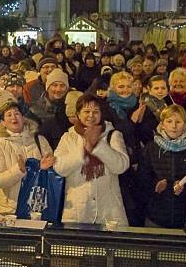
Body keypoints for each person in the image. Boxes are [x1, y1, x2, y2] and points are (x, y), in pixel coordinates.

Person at [54, 94, 130, 226]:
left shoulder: (113, 135)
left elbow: (121, 166)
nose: (91, 115)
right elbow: (60, 168)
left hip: (109, 210)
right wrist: (83, 152)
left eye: (96, 112)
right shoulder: (68, 137)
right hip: (77, 211)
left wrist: (98, 146)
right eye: (86, 111)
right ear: (78, 114)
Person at [139, 105, 186, 229]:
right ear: (162, 124)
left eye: (178, 122)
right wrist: (156, 185)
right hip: (156, 215)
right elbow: (142, 177)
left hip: (184, 216)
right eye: (169, 121)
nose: (174, 126)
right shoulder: (151, 148)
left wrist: (184, 187)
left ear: (185, 125)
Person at [0, 100, 53, 221]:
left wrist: (43, 169)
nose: (14, 117)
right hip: (8, 211)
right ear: (3, 122)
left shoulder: (40, 140)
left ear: (23, 117)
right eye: (9, 115)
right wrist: (18, 170)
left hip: (36, 210)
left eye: (17, 113)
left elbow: (52, 172)